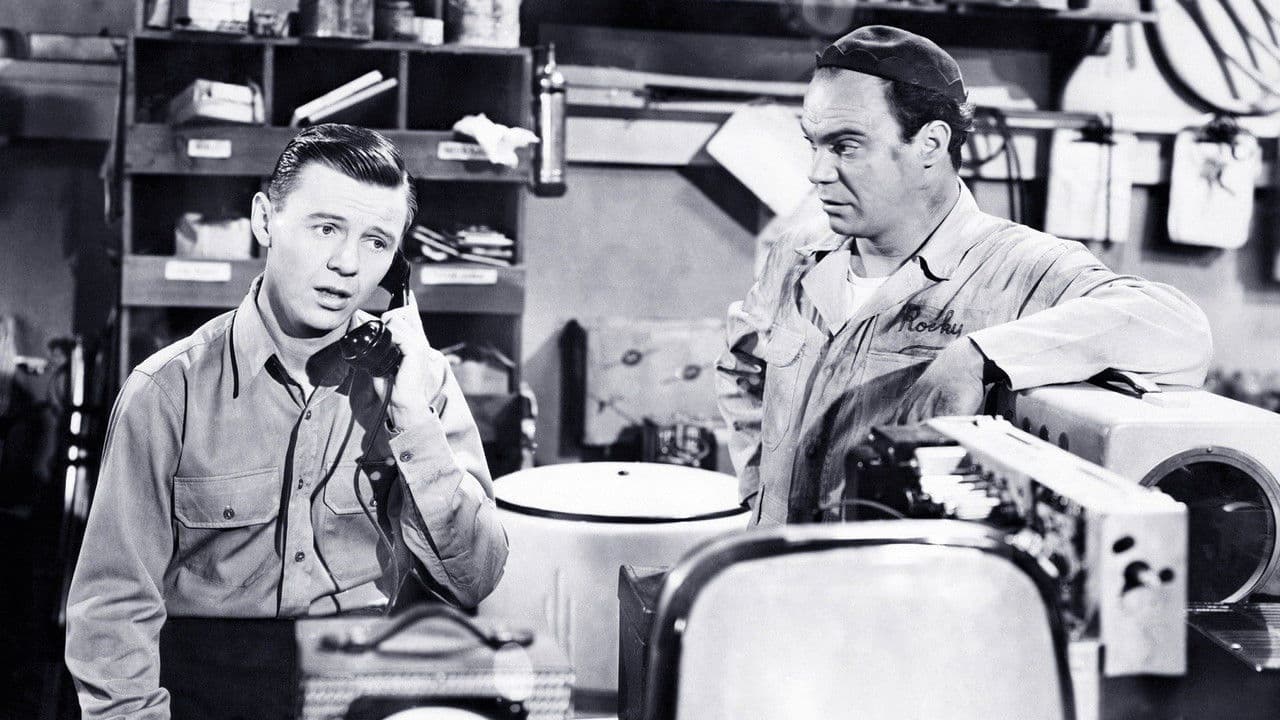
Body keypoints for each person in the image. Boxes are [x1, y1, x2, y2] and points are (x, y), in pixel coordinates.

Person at [65, 124, 509, 719]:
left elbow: (474, 579)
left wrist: (412, 420)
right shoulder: (166, 392)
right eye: (326, 228)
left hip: (359, 686)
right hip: (206, 691)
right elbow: (114, 612)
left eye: (376, 242)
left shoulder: (419, 384)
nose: (347, 264)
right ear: (264, 220)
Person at [716, 26, 1213, 527]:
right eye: (814, 144)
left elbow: (1180, 328)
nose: (818, 171)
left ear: (930, 143)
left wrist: (977, 356)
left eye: (845, 147)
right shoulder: (797, 254)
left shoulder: (1018, 269)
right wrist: (761, 497)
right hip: (774, 563)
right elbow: (741, 370)